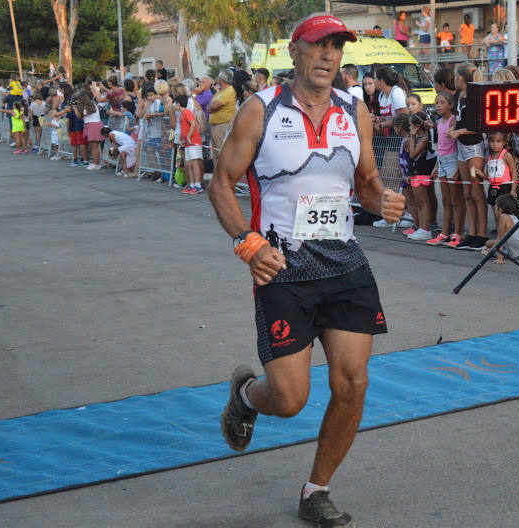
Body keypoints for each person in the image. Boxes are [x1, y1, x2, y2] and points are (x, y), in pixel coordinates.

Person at [207, 13, 405, 527]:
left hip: (344, 263)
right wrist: (247, 244)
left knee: (353, 383)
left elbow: (363, 183)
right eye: (319, 46)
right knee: (291, 400)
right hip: (282, 271)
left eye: (337, 47)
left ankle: (316, 490)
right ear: (294, 52)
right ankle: (246, 396)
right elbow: (221, 183)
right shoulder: (261, 111)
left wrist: (382, 198)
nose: (328, 56)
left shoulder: (353, 110)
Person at [447, 63, 487, 251]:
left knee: (476, 191)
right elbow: (459, 118)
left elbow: (478, 125)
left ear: (462, 78)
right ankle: (471, 233)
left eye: (456, 76)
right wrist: (453, 129)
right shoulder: (458, 96)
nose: (454, 80)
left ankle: (482, 234)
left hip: (473, 147)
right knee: (467, 192)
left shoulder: (474, 96)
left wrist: (459, 131)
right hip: (462, 147)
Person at [427, 91, 462, 247]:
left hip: (453, 161)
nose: (438, 105)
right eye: (437, 103)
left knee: (456, 201)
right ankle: (444, 233)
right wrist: (436, 166)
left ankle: (458, 234)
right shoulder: (439, 122)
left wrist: (459, 168)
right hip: (441, 162)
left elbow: (457, 144)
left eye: (442, 102)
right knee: (446, 200)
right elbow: (439, 147)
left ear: (451, 105)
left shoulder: (453, 121)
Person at [475, 130, 517, 228]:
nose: (495, 144)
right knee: (496, 214)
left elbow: (514, 172)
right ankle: (500, 235)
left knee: (505, 215)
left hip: (505, 187)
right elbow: (488, 176)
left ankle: (508, 235)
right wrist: (480, 174)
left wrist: (513, 189)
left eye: (498, 142)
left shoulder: (506, 155)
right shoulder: (489, 157)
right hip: (493, 188)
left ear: (503, 143)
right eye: (492, 141)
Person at [405, 112, 436, 240]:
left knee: (423, 202)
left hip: (422, 172)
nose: (410, 128)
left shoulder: (424, 138)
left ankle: (425, 229)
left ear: (417, 126)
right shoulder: (416, 138)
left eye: (411, 126)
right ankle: (420, 228)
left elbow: (413, 154)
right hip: (415, 172)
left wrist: (412, 136)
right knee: (418, 202)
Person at [483, 194, 519, 263]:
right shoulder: (514, 217)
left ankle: (489, 251)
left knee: (486, 247)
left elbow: (500, 240)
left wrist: (500, 258)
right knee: (489, 243)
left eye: (495, 207)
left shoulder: (503, 217)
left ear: (500, 210)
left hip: (514, 254)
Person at [173, 95, 204, 194]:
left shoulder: (186, 112)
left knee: (194, 163)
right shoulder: (182, 115)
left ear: (178, 104)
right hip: (187, 143)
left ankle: (198, 185)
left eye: (175, 104)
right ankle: (191, 185)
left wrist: (189, 137)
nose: (174, 106)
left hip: (193, 142)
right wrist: (180, 139)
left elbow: (193, 124)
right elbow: (183, 129)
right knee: (189, 164)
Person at [208, 69, 236, 164]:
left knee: (222, 154)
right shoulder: (221, 91)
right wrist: (211, 106)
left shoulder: (229, 91)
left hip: (222, 127)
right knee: (216, 156)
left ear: (221, 79)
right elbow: (210, 106)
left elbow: (213, 106)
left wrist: (211, 106)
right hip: (215, 127)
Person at [74, 91, 103, 170]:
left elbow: (79, 116)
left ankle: (96, 164)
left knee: (94, 146)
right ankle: (95, 162)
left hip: (92, 125)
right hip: (96, 124)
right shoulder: (92, 104)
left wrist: (75, 109)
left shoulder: (85, 106)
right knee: (93, 146)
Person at [373, 67, 408, 132]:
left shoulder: (396, 92)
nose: (373, 80)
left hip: (401, 133)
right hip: (391, 134)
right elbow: (386, 119)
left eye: (375, 78)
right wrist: (376, 119)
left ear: (381, 81)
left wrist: (382, 125)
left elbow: (402, 118)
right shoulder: (381, 95)